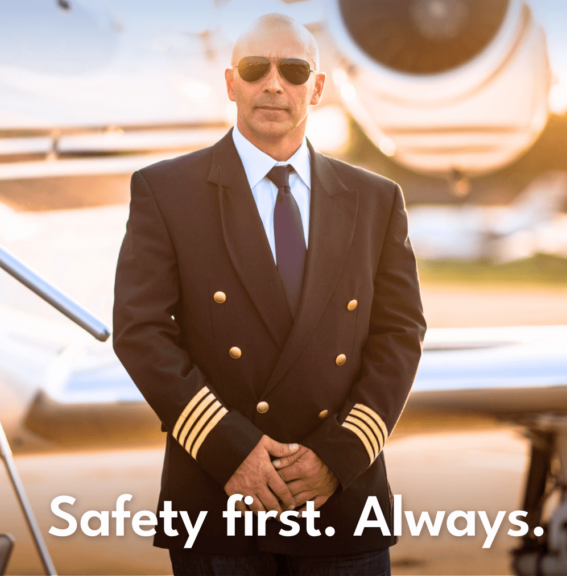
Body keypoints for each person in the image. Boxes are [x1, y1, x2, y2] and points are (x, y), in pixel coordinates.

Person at [112, 13, 426, 576]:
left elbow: (400, 335)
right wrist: (232, 451)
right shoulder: (166, 191)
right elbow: (141, 332)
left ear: (318, 87)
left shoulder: (376, 199)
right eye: (256, 69)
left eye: (295, 69)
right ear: (232, 83)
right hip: (219, 494)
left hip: (340, 501)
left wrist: (338, 456)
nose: (274, 85)